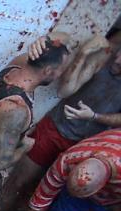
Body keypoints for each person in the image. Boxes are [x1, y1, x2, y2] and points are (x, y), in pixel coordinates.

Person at [11, 36, 121, 201]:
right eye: (119, 54)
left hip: (86, 145)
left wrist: (94, 116)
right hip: (56, 129)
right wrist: (83, 55)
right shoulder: (104, 53)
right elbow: (64, 91)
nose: (118, 60)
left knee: (57, 192)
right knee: (18, 182)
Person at [0, 38, 78, 183]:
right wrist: (25, 146)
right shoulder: (16, 110)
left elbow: (57, 41)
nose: (61, 75)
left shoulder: (15, 67)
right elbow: (2, 162)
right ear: (48, 71)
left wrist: (43, 41)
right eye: (61, 70)